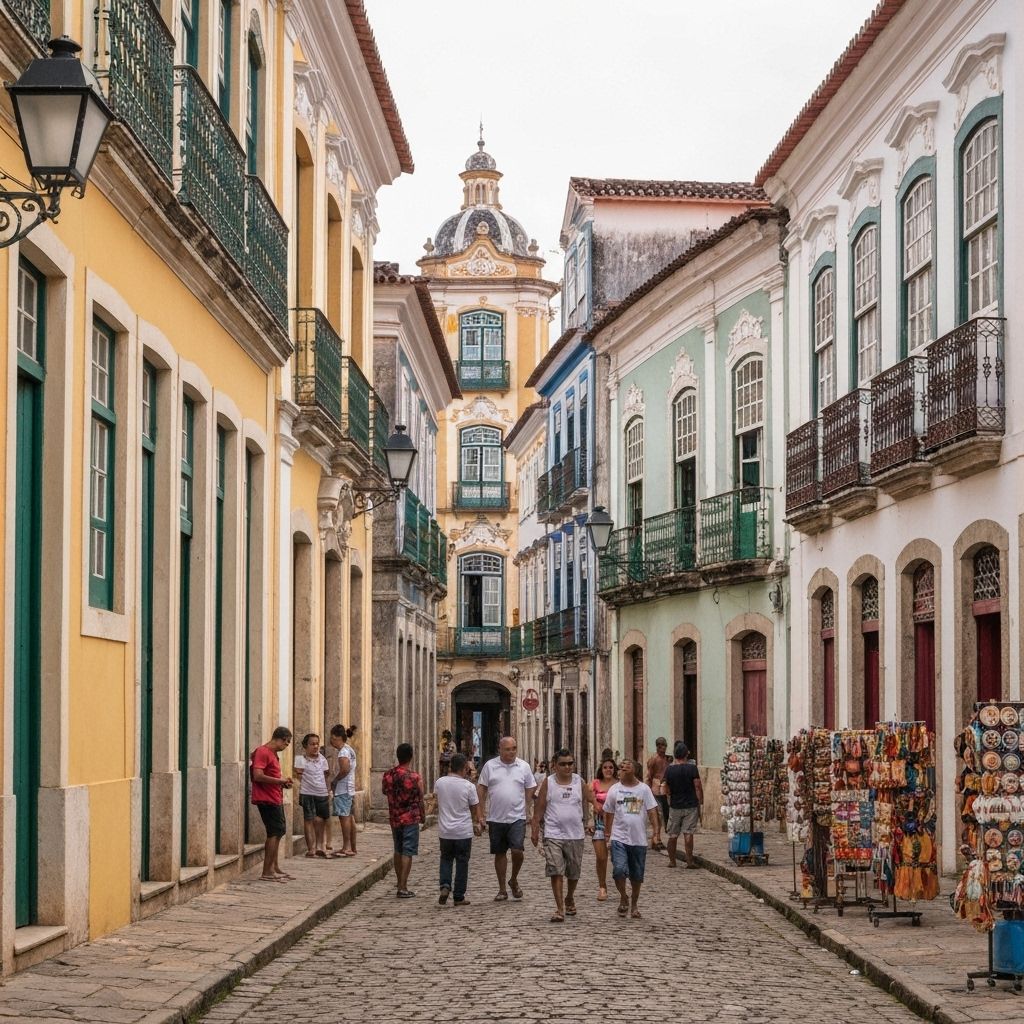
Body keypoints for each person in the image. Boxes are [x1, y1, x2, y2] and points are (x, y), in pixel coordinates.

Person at [530, 748, 596, 922]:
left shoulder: (579, 782)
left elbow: (591, 799)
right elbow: (540, 806)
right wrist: (535, 828)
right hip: (553, 833)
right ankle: (559, 909)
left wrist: (595, 814)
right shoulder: (548, 783)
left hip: (575, 834)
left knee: (573, 872)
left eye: (570, 763)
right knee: (556, 870)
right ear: (554, 766)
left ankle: (569, 897)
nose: (567, 767)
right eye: (563, 764)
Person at [477, 736, 536, 901]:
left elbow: (531, 786)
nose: (511, 752)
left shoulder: (523, 766)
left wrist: (527, 806)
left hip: (517, 816)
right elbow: (481, 788)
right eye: (508, 749)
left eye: (514, 748)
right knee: (500, 852)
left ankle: (514, 878)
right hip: (496, 817)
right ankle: (502, 888)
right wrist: (480, 813)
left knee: (518, 850)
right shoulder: (490, 766)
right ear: (500, 750)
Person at [603, 757, 660, 919]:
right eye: (621, 767)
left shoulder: (644, 790)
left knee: (637, 875)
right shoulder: (614, 789)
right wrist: (608, 835)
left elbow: (652, 811)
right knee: (619, 870)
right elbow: (608, 812)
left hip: (639, 839)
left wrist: (656, 833)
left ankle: (634, 904)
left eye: (626, 767)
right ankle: (623, 896)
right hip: (619, 838)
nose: (622, 769)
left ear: (634, 770)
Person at [434, 753, 483, 906]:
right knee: (462, 862)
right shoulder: (468, 786)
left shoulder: (440, 783)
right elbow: (475, 808)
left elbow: (436, 801)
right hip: (463, 831)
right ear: (464, 769)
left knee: (446, 859)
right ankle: (459, 896)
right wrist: (478, 823)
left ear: (450, 767)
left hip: (445, 831)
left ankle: (445, 885)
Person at [250, 726, 294, 882]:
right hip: (266, 798)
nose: (286, 746)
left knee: (279, 831)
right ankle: (267, 871)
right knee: (274, 832)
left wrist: (282, 784)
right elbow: (258, 775)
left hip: (275, 797)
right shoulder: (263, 752)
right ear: (280, 739)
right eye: (286, 743)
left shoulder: (273, 754)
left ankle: (274, 867)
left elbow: (270, 775)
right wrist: (280, 781)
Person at [382, 742, 426, 898]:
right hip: (410, 818)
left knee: (398, 849)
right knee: (408, 851)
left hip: (394, 817)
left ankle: (399, 881)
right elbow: (421, 798)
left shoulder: (388, 775)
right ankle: (403, 885)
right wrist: (423, 814)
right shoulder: (414, 777)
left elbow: (384, 791)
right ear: (411, 757)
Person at [662, 741, 704, 868]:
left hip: (675, 806)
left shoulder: (669, 770)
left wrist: (669, 797)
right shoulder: (692, 768)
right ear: (686, 754)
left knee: (673, 835)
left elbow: (665, 787)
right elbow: (697, 786)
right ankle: (689, 861)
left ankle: (672, 861)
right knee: (688, 833)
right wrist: (700, 801)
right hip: (690, 805)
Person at [294, 733, 331, 858]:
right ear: (305, 746)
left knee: (320, 820)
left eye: (317, 744)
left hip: (321, 793)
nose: (315, 746)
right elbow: (298, 775)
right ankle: (311, 848)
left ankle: (321, 846)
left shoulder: (323, 759)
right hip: (307, 793)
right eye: (312, 744)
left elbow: (326, 775)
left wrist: (328, 791)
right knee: (308, 820)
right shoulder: (300, 759)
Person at [328, 724, 358, 857]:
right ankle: (352, 847)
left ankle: (346, 847)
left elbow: (345, 769)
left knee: (344, 817)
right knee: (350, 818)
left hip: (343, 789)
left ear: (337, 737)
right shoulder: (349, 749)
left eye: (332, 738)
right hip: (349, 789)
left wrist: (335, 781)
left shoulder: (343, 752)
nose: (331, 741)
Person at [591, 757, 618, 901]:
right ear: (601, 770)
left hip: (617, 826)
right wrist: (594, 806)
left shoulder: (618, 785)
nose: (608, 770)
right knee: (601, 857)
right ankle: (602, 887)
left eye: (611, 767)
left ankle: (622, 885)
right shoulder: (595, 783)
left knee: (618, 859)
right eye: (605, 767)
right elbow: (587, 797)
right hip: (599, 824)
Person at [645, 737, 670, 849]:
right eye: (661, 746)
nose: (663, 748)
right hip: (655, 788)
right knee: (658, 814)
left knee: (665, 814)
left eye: (664, 746)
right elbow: (649, 776)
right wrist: (649, 791)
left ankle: (657, 839)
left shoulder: (667, 759)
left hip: (664, 789)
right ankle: (657, 838)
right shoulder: (654, 759)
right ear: (657, 747)